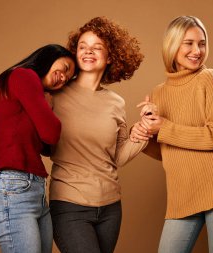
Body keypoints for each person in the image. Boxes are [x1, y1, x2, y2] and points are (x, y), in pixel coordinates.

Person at [130, 16, 213, 253]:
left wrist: (163, 127)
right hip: (181, 194)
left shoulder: (209, 79)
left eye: (201, 44)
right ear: (172, 45)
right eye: (188, 43)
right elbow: (166, 152)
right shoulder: (158, 92)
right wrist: (143, 134)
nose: (197, 51)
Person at [48, 16, 146, 253]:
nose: (88, 52)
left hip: (111, 208)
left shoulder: (116, 102)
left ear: (110, 56)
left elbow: (118, 157)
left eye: (97, 47)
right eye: (83, 47)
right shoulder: (55, 94)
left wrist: (143, 132)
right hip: (69, 204)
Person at [0, 44, 76, 253]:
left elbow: (49, 148)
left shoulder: (32, 94)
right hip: (13, 191)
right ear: (51, 56)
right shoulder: (23, 76)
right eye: (66, 68)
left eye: (68, 79)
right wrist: (49, 108)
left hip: (36, 191)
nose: (64, 78)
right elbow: (51, 133)